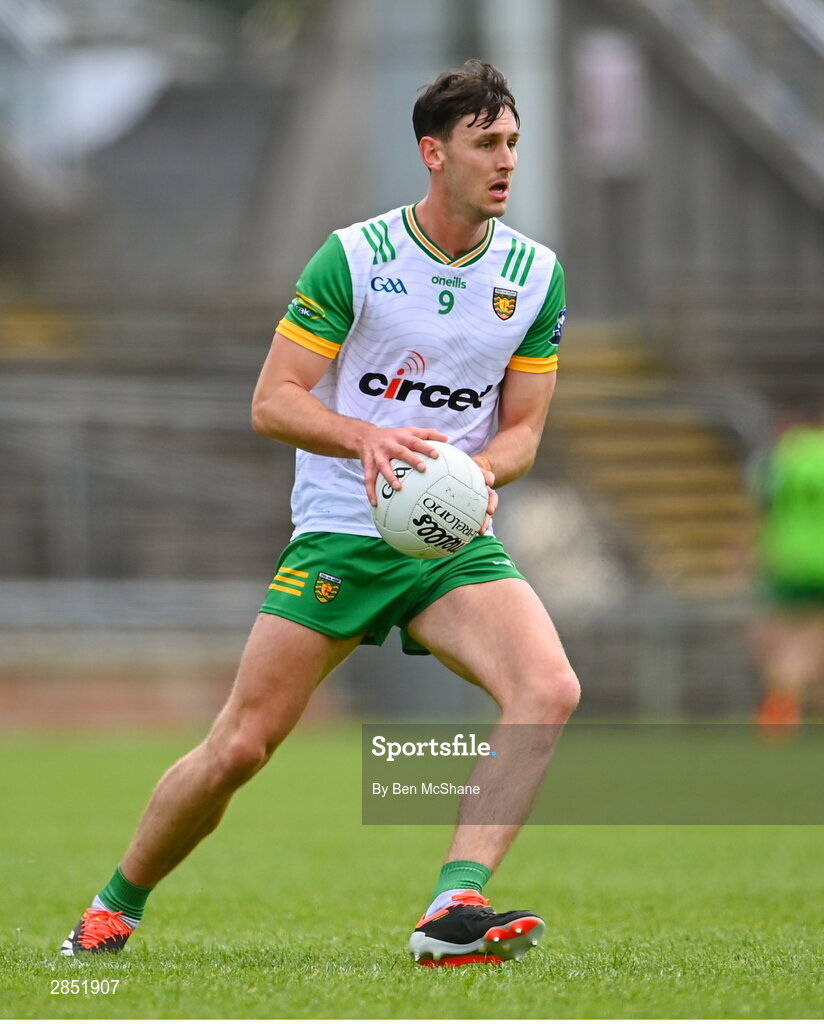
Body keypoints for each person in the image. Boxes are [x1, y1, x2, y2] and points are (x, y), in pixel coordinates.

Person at [60, 59, 579, 967]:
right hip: (345, 527)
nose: (505, 161)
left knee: (549, 689)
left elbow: (526, 429)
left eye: (513, 145)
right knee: (242, 745)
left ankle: (456, 903)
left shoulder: (534, 276)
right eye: (485, 143)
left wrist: (481, 472)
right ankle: (113, 907)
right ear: (433, 152)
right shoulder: (357, 257)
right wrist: (365, 440)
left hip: (453, 542)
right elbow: (274, 402)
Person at [749, 410, 824, 732]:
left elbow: (760, 501)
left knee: (778, 636)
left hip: (785, 559)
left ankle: (783, 703)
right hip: (818, 561)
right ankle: (792, 699)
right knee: (814, 637)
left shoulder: (783, 455)